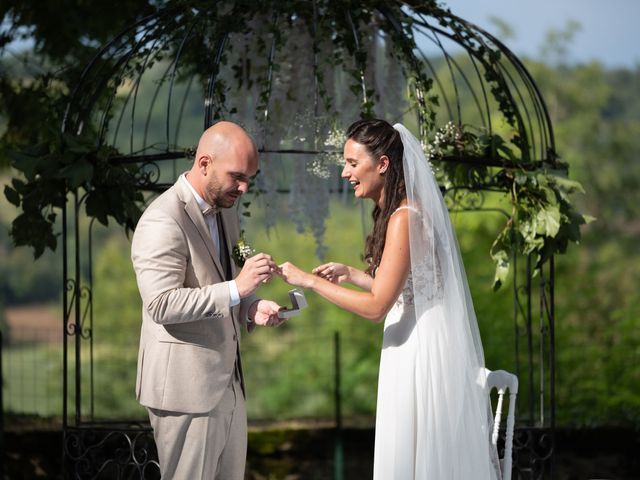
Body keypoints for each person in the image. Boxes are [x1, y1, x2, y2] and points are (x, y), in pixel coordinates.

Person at [279, 119, 501, 479]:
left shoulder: (403, 218)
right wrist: (352, 274)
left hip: (420, 353)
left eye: (353, 163)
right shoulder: (401, 213)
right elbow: (405, 288)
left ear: (382, 164)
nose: (345, 172)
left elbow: (377, 307)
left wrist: (309, 281)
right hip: (412, 342)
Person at [131, 121, 284, 480]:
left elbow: (226, 276)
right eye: (237, 177)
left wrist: (252, 305)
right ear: (204, 164)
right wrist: (237, 290)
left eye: (250, 177)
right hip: (186, 391)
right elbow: (162, 304)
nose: (244, 188)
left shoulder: (226, 210)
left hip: (228, 384)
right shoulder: (162, 219)